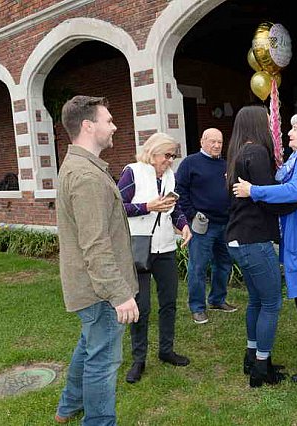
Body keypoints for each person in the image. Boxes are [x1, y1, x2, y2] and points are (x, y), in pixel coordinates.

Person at [225, 106, 297, 387]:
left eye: (294, 129)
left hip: (284, 237)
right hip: (255, 238)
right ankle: (261, 366)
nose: (285, 131)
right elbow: (286, 193)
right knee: (273, 302)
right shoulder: (262, 153)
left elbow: (288, 191)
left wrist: (258, 191)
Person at [55, 95, 139, 424]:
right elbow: (95, 245)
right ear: (89, 126)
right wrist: (119, 295)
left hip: (91, 287)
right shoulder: (86, 177)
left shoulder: (82, 167)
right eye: (108, 120)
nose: (114, 126)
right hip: (99, 290)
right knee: (102, 361)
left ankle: (68, 407)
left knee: (90, 344)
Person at [117, 132, 193, 384]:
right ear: (152, 152)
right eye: (166, 155)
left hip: (166, 248)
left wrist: (183, 226)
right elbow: (117, 207)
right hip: (140, 247)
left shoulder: (169, 176)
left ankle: (166, 350)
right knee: (142, 307)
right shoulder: (133, 171)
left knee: (169, 301)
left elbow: (175, 209)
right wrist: (146, 207)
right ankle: (139, 360)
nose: (170, 161)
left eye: (173, 156)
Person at [175, 128, 235, 325]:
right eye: (212, 141)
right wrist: (191, 215)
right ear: (202, 141)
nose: (217, 145)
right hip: (202, 226)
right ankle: (197, 308)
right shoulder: (190, 163)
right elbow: (180, 191)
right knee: (198, 267)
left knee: (224, 264)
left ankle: (217, 300)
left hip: (225, 224)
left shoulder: (226, 165)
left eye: (220, 141)